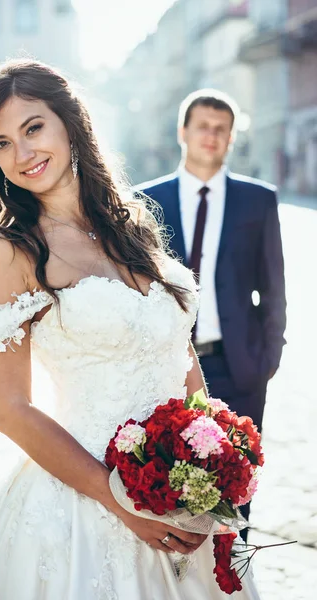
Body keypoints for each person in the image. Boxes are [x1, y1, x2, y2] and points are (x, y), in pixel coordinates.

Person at [0, 62, 260, 599]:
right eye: (1, 144)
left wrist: (213, 454)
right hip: (81, 498)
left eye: (33, 128)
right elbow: (11, 410)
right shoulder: (8, 252)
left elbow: (178, 353)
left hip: (181, 490)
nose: (22, 154)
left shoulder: (132, 224)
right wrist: (120, 502)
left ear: (70, 123)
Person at [139, 89, 286, 538]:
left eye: (222, 129)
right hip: (167, 369)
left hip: (238, 366)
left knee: (235, 493)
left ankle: (233, 579)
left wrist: (264, 364)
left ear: (231, 138)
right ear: (182, 131)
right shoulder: (145, 200)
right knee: (167, 485)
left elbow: (274, 290)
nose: (212, 135)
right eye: (203, 125)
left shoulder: (257, 201)